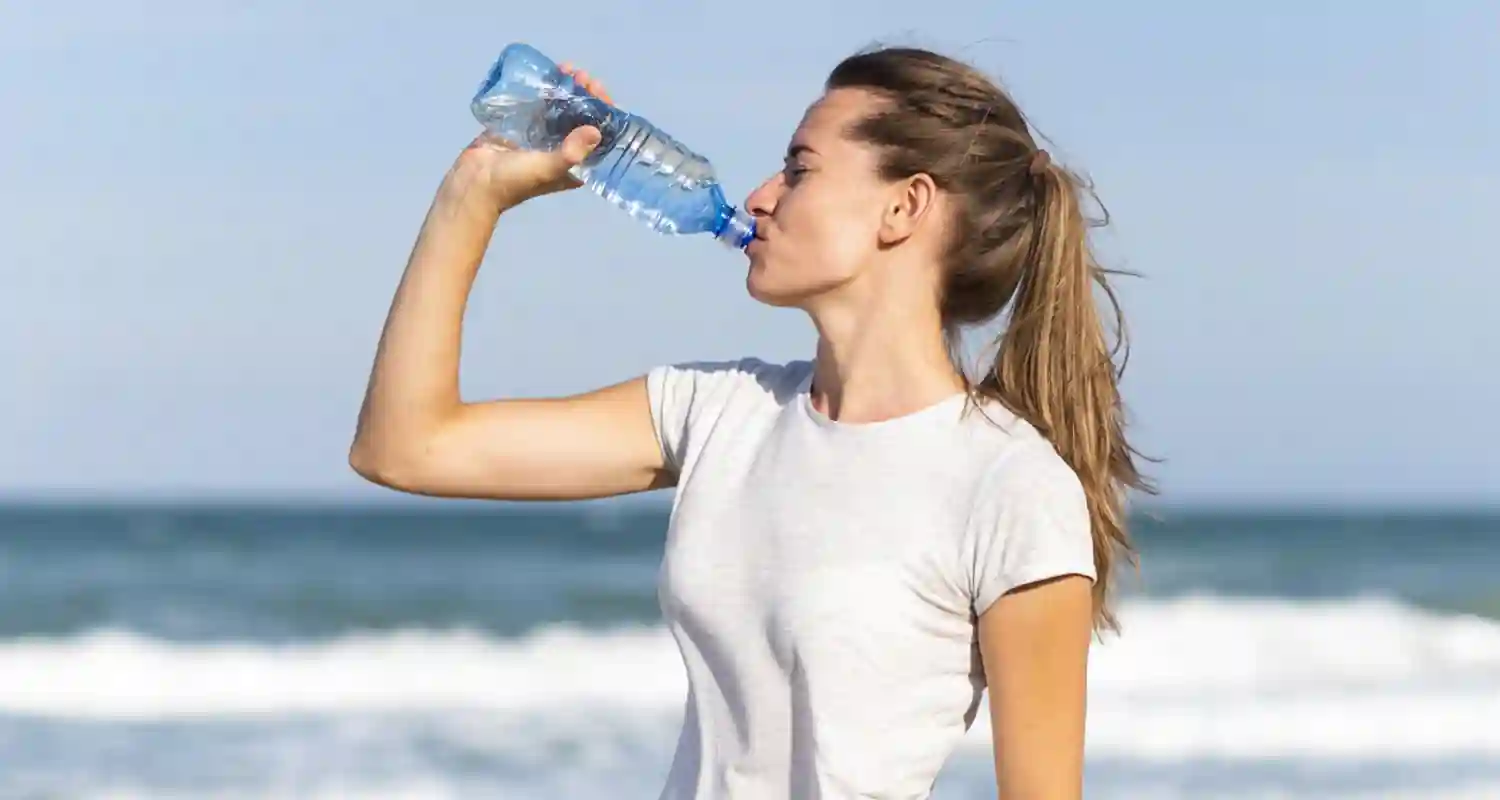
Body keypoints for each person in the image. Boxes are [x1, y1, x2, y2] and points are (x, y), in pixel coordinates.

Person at [350, 44, 1151, 800]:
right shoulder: (718, 412)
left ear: (904, 207)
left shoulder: (1010, 484)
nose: (762, 194)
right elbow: (405, 448)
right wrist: (474, 195)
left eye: (799, 169)